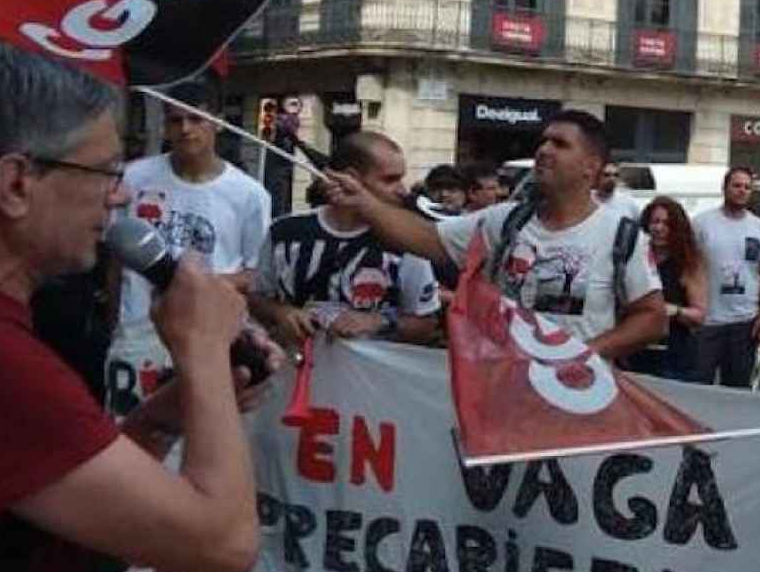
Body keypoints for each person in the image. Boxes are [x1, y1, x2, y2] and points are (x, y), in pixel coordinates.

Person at [0, 43, 278, 572]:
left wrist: (159, 419)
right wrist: (202, 349)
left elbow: (54, 499)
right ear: (16, 184)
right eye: (104, 172)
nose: (121, 195)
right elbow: (222, 545)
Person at [323, 110, 666, 358]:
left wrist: (584, 355)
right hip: (498, 391)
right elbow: (427, 238)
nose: (543, 150)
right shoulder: (503, 222)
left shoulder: (623, 236)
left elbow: (652, 319)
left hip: (575, 399)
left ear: (590, 167)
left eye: (560, 144)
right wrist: (366, 203)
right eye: (543, 141)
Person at [106, 81, 270, 416]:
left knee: (202, 437)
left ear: (217, 122)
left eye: (196, 120)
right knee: (131, 432)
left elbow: (256, 275)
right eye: (175, 120)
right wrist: (115, 322)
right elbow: (115, 254)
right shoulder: (135, 178)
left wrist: (195, 285)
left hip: (210, 335)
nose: (186, 129)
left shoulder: (249, 195)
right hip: (138, 332)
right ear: (165, 126)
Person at [247, 132, 441, 347]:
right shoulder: (284, 232)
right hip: (295, 372)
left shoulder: (406, 241)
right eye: (389, 180)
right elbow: (256, 298)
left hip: (369, 376)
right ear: (351, 179)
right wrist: (281, 313)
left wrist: (378, 322)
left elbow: (426, 323)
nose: (402, 190)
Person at [691, 167, 760, 386]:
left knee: (737, 389)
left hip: (744, 322)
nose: (742, 191)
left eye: (747, 187)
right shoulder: (702, 223)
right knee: (699, 386)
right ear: (724, 188)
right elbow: (690, 270)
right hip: (708, 321)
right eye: (737, 185)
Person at [633, 197, 708, 378]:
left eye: (667, 223)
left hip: (674, 358)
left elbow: (699, 315)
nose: (659, 228)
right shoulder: (635, 260)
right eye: (655, 222)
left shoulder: (689, 263)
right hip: (635, 354)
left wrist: (673, 310)